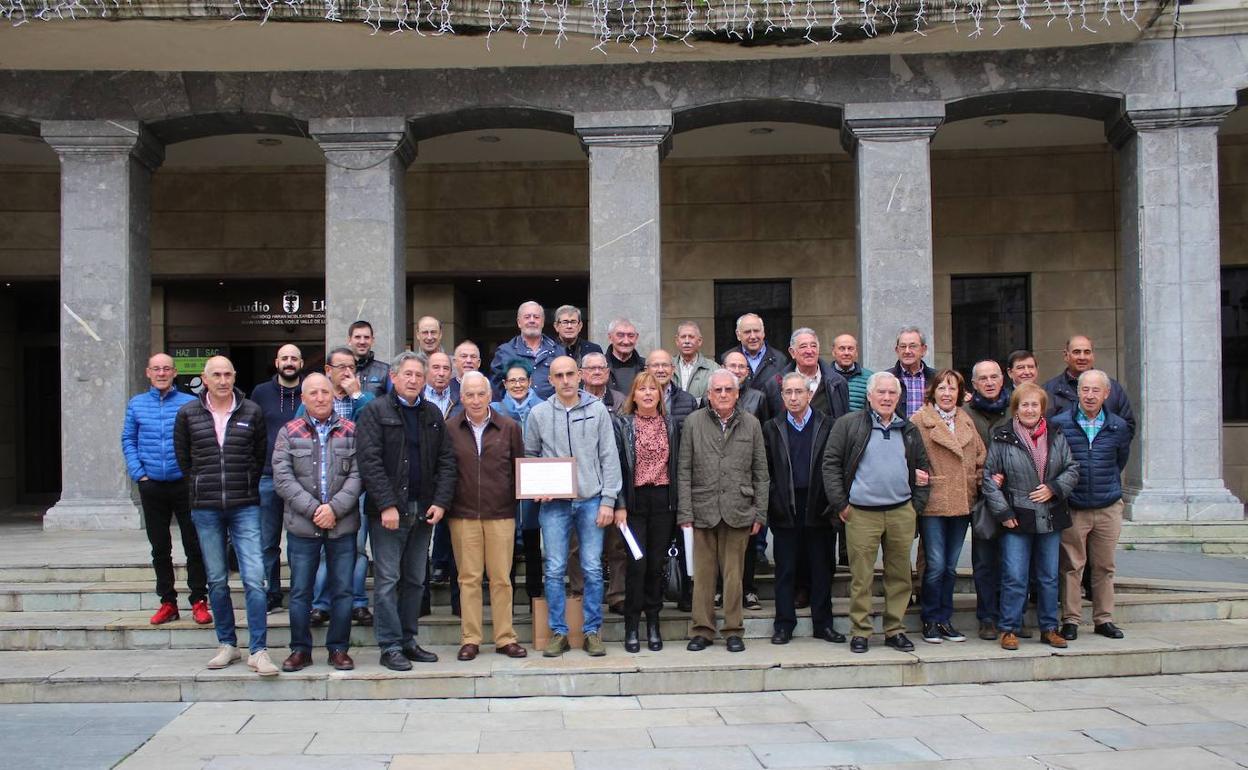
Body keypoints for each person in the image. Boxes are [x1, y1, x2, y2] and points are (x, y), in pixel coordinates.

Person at [174, 356, 277, 676]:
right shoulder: (188, 413)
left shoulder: (251, 411)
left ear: (234, 376)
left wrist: (243, 483)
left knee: (254, 578)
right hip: (205, 507)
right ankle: (227, 644)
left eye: (227, 374)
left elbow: (259, 455)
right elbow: (185, 458)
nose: (222, 380)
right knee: (217, 580)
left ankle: (258, 650)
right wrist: (202, 486)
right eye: (215, 375)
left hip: (244, 504)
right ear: (204, 379)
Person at [355, 352, 457, 671]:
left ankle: (408, 639)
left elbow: (446, 462)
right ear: (394, 377)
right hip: (388, 512)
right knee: (387, 579)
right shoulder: (375, 411)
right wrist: (386, 504)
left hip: (423, 509)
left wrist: (440, 502)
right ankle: (389, 645)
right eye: (407, 374)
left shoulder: (432, 414)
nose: (413, 380)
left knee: (415, 579)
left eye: (418, 375)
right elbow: (368, 461)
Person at [823, 371, 931, 654]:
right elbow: (831, 464)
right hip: (861, 513)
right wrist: (841, 505)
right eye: (880, 393)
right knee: (861, 577)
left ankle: (895, 629)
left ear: (898, 397)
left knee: (900, 576)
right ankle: (861, 631)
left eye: (891, 393)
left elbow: (923, 469)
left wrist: (915, 507)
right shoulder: (849, 425)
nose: (886, 398)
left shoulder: (908, 429)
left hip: (900, 512)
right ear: (869, 396)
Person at [524, 356, 623, 658]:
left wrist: (609, 500)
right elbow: (530, 455)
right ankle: (558, 631)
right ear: (550, 380)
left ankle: (592, 630)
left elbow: (609, 457)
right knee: (554, 569)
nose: (565, 380)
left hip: (591, 500)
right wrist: (537, 486)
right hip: (554, 505)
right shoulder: (538, 413)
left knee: (593, 568)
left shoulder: (597, 411)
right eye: (559, 375)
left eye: (570, 374)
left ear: (579, 376)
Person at [271, 373, 361, 672]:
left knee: (343, 590)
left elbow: (359, 475)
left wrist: (334, 508)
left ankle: (338, 648)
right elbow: (282, 477)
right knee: (300, 591)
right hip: (303, 525)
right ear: (304, 397)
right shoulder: (289, 431)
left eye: (325, 392)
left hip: (342, 525)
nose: (321, 398)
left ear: (333, 396)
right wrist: (314, 509)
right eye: (314, 393)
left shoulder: (350, 430)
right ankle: (300, 649)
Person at [981, 382, 1081, 651]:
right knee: (1014, 576)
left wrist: (1053, 488)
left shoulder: (1056, 435)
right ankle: (1009, 629)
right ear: (1016, 408)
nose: (1029, 409)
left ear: (1042, 408)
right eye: (1024, 404)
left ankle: (1049, 628)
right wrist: (1003, 511)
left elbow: (1072, 469)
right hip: (1017, 516)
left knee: (1048, 576)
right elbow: (989, 479)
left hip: (1050, 514)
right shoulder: (1002, 436)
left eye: (1034, 404)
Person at [679, 369, 769, 653]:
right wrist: (685, 512)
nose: (722, 395)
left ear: (737, 393)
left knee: (734, 575)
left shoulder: (752, 424)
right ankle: (702, 630)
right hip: (703, 507)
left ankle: (733, 629)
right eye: (717, 390)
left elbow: (761, 473)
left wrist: (760, 513)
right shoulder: (693, 422)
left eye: (728, 390)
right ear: (708, 394)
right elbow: (683, 470)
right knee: (704, 576)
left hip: (739, 508)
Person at [122, 353, 210, 627]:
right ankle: (167, 602)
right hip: (152, 486)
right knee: (160, 547)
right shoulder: (136, 405)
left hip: (183, 485)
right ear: (148, 373)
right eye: (156, 369)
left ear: (174, 373)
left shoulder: (189, 403)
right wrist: (140, 474)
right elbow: (128, 439)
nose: (161, 373)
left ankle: (199, 600)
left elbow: (199, 440)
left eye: (166, 369)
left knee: (193, 544)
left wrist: (192, 473)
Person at [445, 372, 529, 661]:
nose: (476, 400)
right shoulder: (450, 428)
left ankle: (505, 637)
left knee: (501, 579)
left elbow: (520, 469)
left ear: (491, 395)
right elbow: (444, 470)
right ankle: (471, 638)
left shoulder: (509, 427)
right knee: (468, 578)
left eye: (481, 394)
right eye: (470, 395)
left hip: (500, 514)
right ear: (462, 397)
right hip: (463, 514)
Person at [1051, 369, 1133, 641]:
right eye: (1085, 389)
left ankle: (1104, 619)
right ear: (1077, 392)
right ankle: (1071, 619)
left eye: (1096, 390)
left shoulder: (1118, 426)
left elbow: (1119, 461)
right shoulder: (1061, 423)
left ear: (1106, 394)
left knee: (1104, 566)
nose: (1089, 395)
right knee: (1072, 566)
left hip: (1107, 506)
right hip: (1074, 506)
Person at [764, 372, 844, 646]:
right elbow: (767, 471)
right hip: (785, 507)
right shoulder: (772, 428)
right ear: (782, 396)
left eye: (799, 392)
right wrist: (773, 501)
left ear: (810, 394)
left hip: (819, 507)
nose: (794, 397)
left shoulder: (828, 425)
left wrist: (832, 504)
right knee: (785, 570)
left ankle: (824, 624)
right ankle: (784, 624)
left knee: (821, 570)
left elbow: (836, 467)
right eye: (788, 392)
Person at [909, 369, 985, 644]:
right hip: (934, 502)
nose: (946, 393)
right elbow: (910, 456)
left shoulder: (966, 421)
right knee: (936, 564)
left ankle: (945, 619)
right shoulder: (920, 420)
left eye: (952, 388)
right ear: (933, 392)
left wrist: (977, 482)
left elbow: (980, 457)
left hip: (962, 501)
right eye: (941, 388)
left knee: (951, 566)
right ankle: (930, 618)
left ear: (960, 393)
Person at [306, 347, 375, 628]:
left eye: (352, 366)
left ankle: (358, 602)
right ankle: (321, 604)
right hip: (322, 486)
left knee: (357, 548)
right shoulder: (316, 400)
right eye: (341, 366)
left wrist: (357, 395)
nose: (348, 371)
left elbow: (373, 425)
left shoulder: (364, 399)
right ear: (328, 370)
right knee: (323, 549)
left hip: (357, 483)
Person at [611, 371, 680, 653]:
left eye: (654, 389)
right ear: (634, 395)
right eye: (643, 389)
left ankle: (653, 623)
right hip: (634, 502)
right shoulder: (623, 424)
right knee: (636, 565)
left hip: (663, 502)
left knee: (655, 565)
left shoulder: (672, 424)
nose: (649, 393)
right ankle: (631, 625)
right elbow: (615, 467)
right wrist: (620, 506)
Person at [250, 343, 305, 614]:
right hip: (268, 477)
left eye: (294, 358)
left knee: (299, 541)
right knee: (268, 541)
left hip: (303, 479)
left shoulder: (310, 391)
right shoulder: (261, 392)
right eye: (285, 358)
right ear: (277, 362)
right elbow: (253, 431)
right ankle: (272, 592)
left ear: (301, 363)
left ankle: (300, 591)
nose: (289, 362)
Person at [964, 358, 1012, 641]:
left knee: (1013, 561)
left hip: (1014, 498)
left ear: (1002, 379)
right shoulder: (964, 414)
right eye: (983, 378)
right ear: (974, 384)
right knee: (984, 562)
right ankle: (988, 618)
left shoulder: (1015, 409)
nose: (990, 382)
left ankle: (1011, 617)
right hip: (981, 498)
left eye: (994, 377)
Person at [492, 360, 546, 603]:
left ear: (530, 381)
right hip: (504, 487)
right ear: (504, 384)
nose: (517, 385)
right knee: (506, 549)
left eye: (522, 380)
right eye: (512, 381)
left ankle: (536, 601)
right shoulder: (494, 410)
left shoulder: (543, 409)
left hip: (536, 487)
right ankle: (508, 604)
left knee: (534, 544)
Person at [722, 348, 769, 605]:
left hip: (747, 476)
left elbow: (766, 437)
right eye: (732, 365)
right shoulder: (712, 398)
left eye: (742, 367)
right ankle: (721, 589)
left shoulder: (758, 398)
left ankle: (748, 588)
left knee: (748, 540)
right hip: (719, 476)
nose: (737, 370)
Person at [1043, 336, 1136, 439]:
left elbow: (1127, 427)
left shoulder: (1113, 389)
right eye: (1077, 352)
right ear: (1066, 355)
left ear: (1093, 356)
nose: (1082, 357)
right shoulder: (1048, 391)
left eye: (1087, 352)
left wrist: (1106, 448)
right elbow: (1043, 429)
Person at [761, 328, 850, 421]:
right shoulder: (775, 384)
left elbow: (844, 424)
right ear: (792, 352)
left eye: (813, 346)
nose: (809, 351)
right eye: (803, 346)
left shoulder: (837, 383)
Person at [490, 301, 561, 399]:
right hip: (515, 413)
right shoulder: (504, 352)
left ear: (542, 322)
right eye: (527, 317)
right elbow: (495, 390)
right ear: (519, 322)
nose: (532, 320)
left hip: (551, 412)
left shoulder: (558, 351)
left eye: (536, 317)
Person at [887, 326, 935, 419]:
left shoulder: (937, 378)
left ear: (923, 350)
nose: (907, 351)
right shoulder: (886, 378)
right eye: (903, 346)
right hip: (898, 432)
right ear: (897, 350)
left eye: (913, 346)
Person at [732, 313, 787, 392]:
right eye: (747, 332)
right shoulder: (728, 359)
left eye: (756, 331)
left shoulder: (780, 360)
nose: (753, 336)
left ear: (763, 332)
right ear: (738, 335)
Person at [645, 348, 699, 427]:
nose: (660, 370)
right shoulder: (638, 399)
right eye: (655, 365)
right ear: (646, 370)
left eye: (665, 365)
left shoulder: (689, 401)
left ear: (673, 369)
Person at [673, 321, 715, 401]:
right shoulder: (667, 367)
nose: (687, 341)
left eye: (691, 337)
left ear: (699, 341)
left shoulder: (713, 368)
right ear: (677, 341)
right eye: (683, 337)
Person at [348, 320, 391, 398]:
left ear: (372, 340)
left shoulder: (386, 371)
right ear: (349, 340)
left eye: (366, 337)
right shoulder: (341, 370)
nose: (362, 341)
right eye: (357, 337)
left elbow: (393, 403)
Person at [831, 334, 873, 413]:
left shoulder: (870, 378)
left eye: (850, 349)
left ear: (856, 352)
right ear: (833, 352)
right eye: (842, 349)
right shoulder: (824, 376)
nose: (846, 353)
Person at [605, 318, 646, 395]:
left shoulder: (646, 366)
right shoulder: (600, 367)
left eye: (631, 336)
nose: (626, 341)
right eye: (620, 335)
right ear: (610, 338)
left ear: (636, 338)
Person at [424, 350, 460, 419]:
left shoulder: (461, 399)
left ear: (451, 372)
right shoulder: (416, 398)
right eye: (436, 367)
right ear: (426, 370)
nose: (441, 373)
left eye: (446, 368)